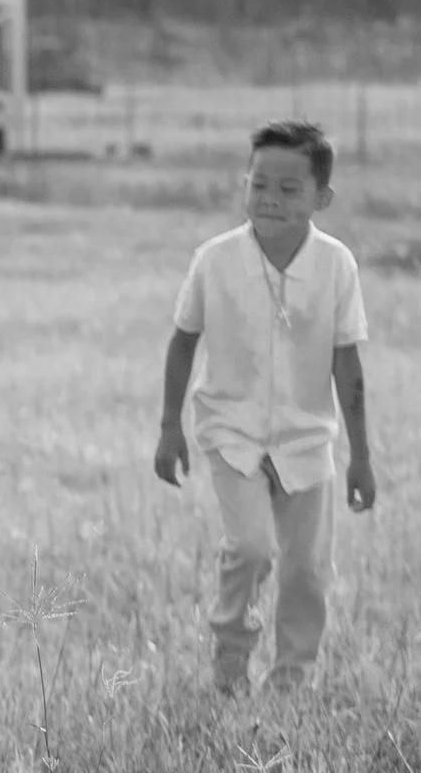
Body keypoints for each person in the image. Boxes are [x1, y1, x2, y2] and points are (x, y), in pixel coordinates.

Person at [153, 118, 375, 695]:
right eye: (259, 184)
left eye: (289, 188)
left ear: (321, 197)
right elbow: (183, 342)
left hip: (307, 439)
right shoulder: (215, 260)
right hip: (232, 432)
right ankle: (231, 659)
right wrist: (170, 427)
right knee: (251, 548)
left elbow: (348, 364)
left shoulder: (336, 265)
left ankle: (291, 680)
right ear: (244, 184)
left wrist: (360, 456)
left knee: (307, 568)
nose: (269, 199)